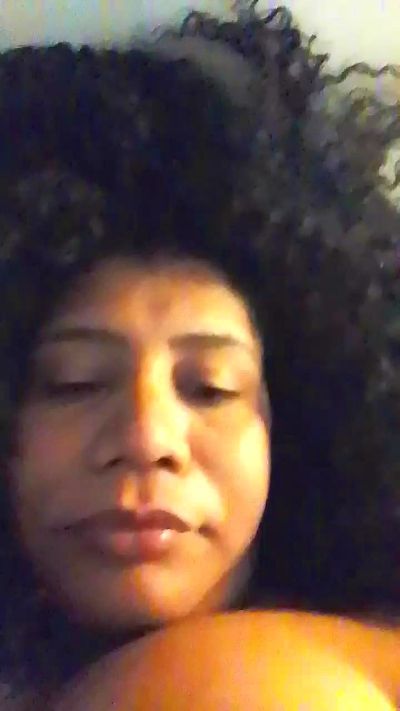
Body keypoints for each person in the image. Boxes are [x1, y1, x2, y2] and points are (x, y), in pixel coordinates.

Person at [0, 3, 399, 708]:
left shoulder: (228, 682)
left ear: (296, 431)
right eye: (75, 382)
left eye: (211, 388)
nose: (147, 437)